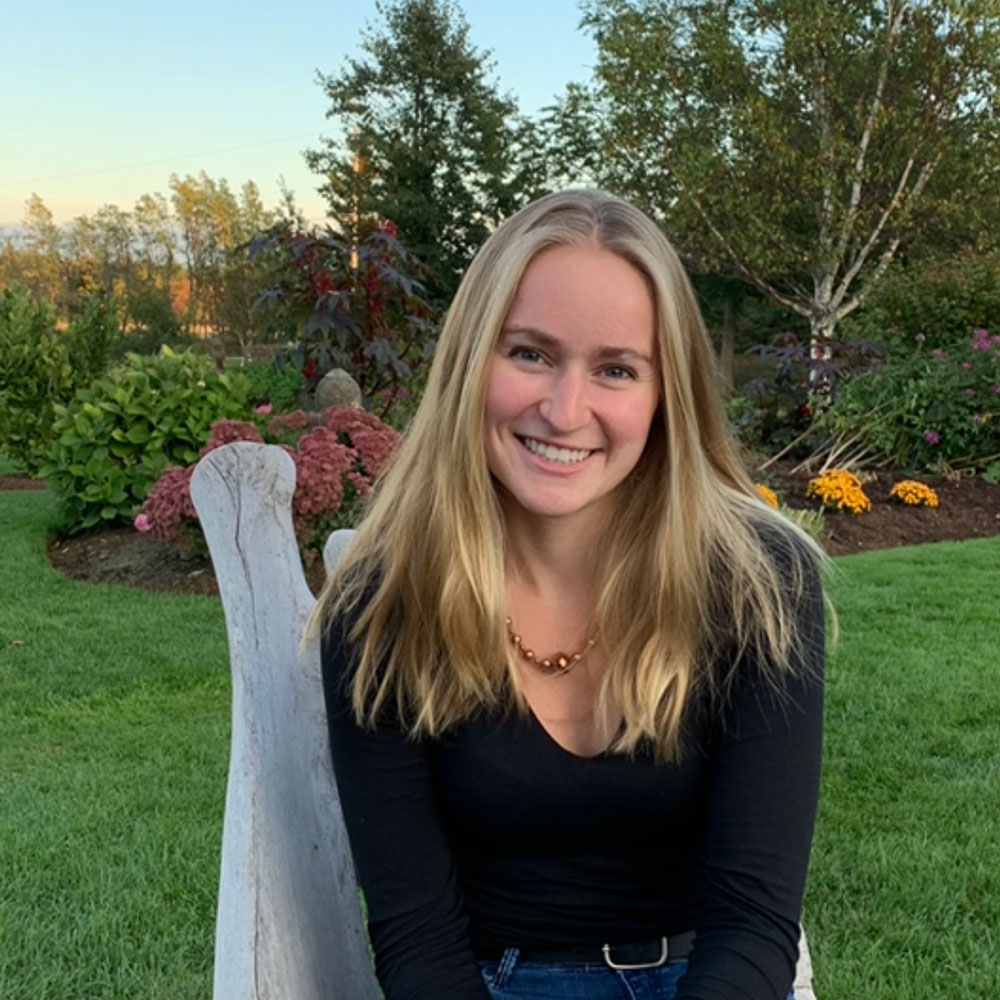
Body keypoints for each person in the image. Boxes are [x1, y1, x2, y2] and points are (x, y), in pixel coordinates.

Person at [312, 189, 826, 1000]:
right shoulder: (382, 606)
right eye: (530, 353)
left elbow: (755, 921)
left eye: (616, 369)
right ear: (471, 360)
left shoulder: (760, 584)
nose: (563, 410)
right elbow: (417, 943)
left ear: (666, 398)